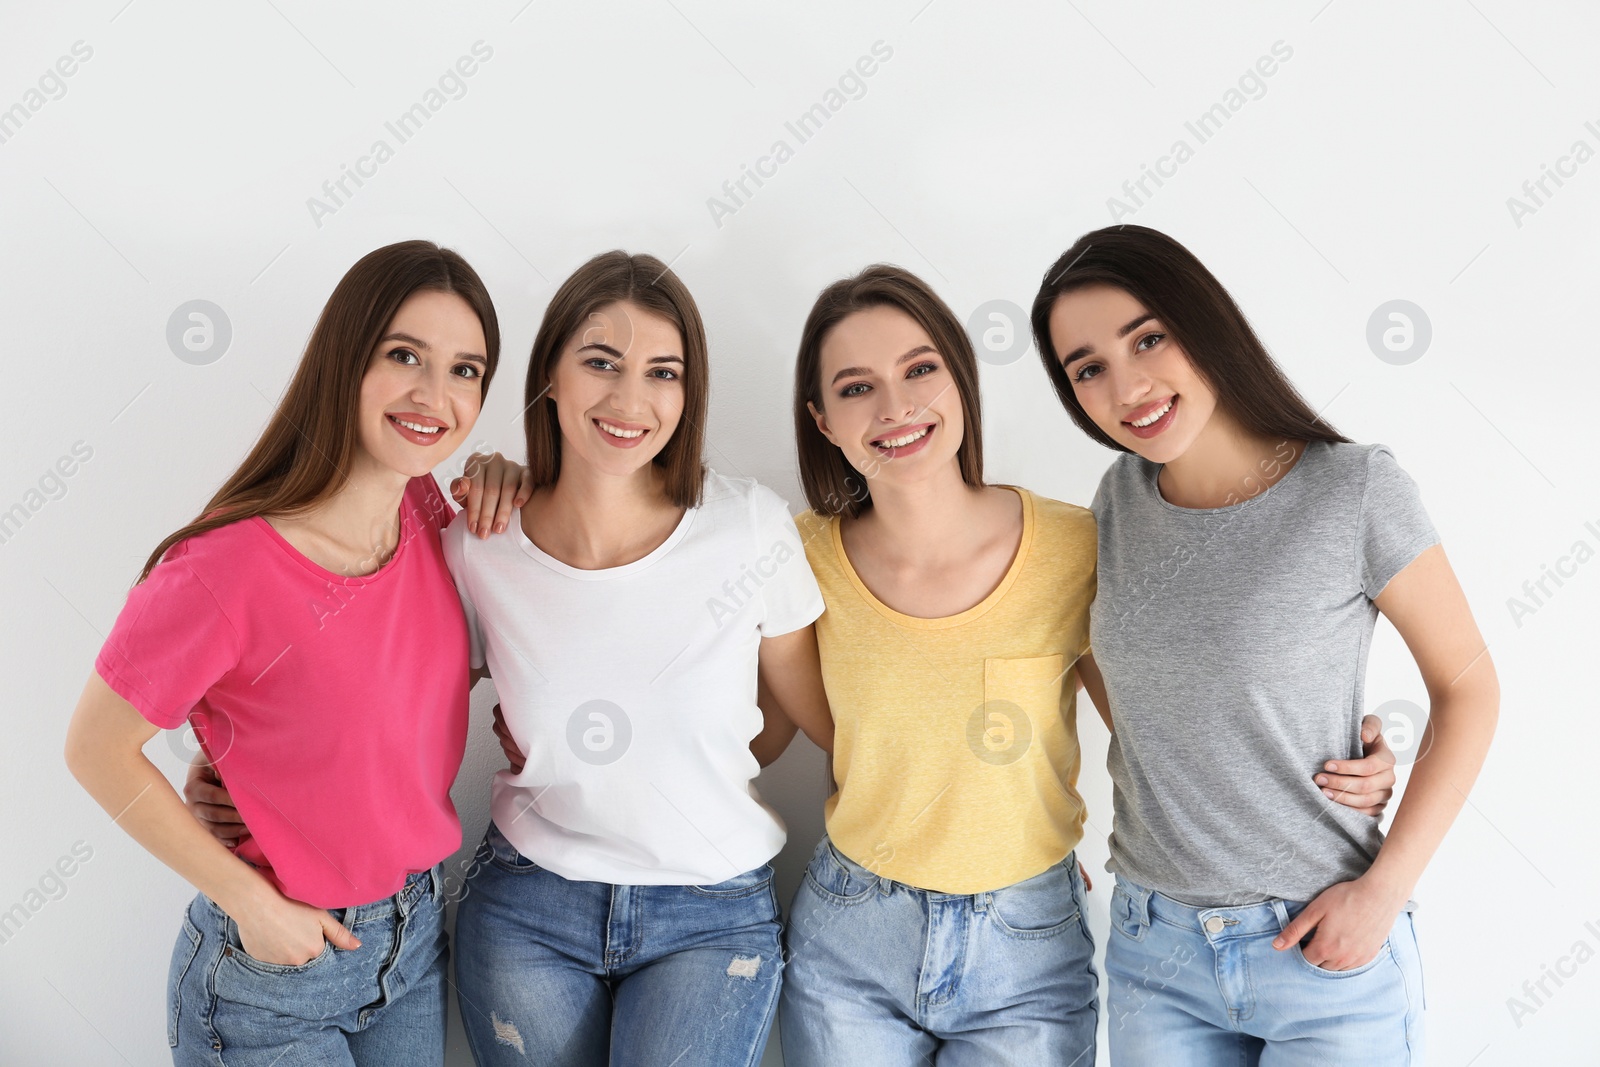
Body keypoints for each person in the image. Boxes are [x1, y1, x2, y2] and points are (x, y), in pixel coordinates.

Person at [464, 264, 1398, 1067]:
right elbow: (764, 718)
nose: (898, 405)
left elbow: (1161, 719)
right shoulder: (795, 549)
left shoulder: (1079, 541)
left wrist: (1327, 758)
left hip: (1029, 935)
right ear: (821, 419)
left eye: (920, 370)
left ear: (961, 382)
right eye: (858, 386)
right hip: (850, 926)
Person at [1030, 224, 1499, 1065]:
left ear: (1204, 323)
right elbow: (1120, 667)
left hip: (1322, 942)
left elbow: (1470, 689)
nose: (1127, 383)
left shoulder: (1354, 489)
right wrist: (1250, 738)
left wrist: (1385, 890)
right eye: (1088, 367)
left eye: (1148, 337)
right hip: (1153, 946)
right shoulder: (1116, 500)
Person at [64, 241, 503, 1066]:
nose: (433, 394)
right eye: (404, 355)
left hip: (410, 940)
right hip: (272, 974)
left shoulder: (424, 510)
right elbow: (94, 748)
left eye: (465, 369)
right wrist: (250, 902)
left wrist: (504, 476)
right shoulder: (225, 567)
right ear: (345, 357)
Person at [444, 251, 831, 1067]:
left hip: (711, 913)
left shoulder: (749, 528)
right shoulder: (481, 544)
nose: (630, 399)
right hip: (528, 908)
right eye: (600, 363)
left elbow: (816, 713)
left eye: (662, 371)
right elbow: (385, 696)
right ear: (550, 372)